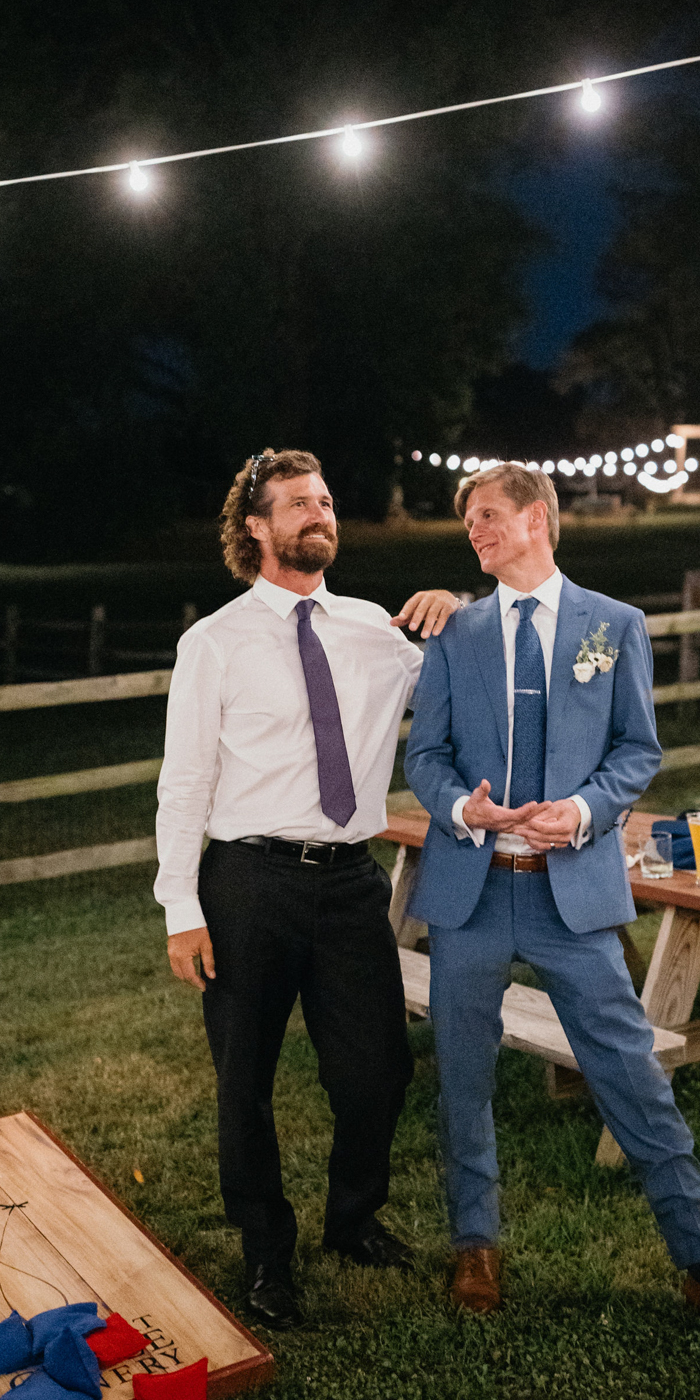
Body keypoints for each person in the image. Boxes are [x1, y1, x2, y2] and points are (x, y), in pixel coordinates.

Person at [403, 462, 700, 1345]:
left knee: (631, 1078)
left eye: (489, 516)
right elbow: (423, 755)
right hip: (470, 896)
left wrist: (584, 812)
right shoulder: (456, 633)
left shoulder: (614, 626)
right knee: (463, 1083)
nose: (475, 531)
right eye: (468, 521)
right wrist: (462, 809)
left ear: (539, 518)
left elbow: (636, 749)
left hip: (572, 898)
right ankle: (476, 1244)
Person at [155, 448, 461, 1330]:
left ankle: (354, 1219)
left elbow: (454, 689)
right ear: (255, 527)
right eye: (298, 503)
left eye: (325, 500)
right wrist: (182, 910)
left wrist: (459, 612)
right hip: (245, 885)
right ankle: (266, 1256)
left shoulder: (373, 627)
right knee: (243, 1078)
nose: (319, 514)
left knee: (379, 1070)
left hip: (349, 887)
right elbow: (185, 782)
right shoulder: (212, 642)